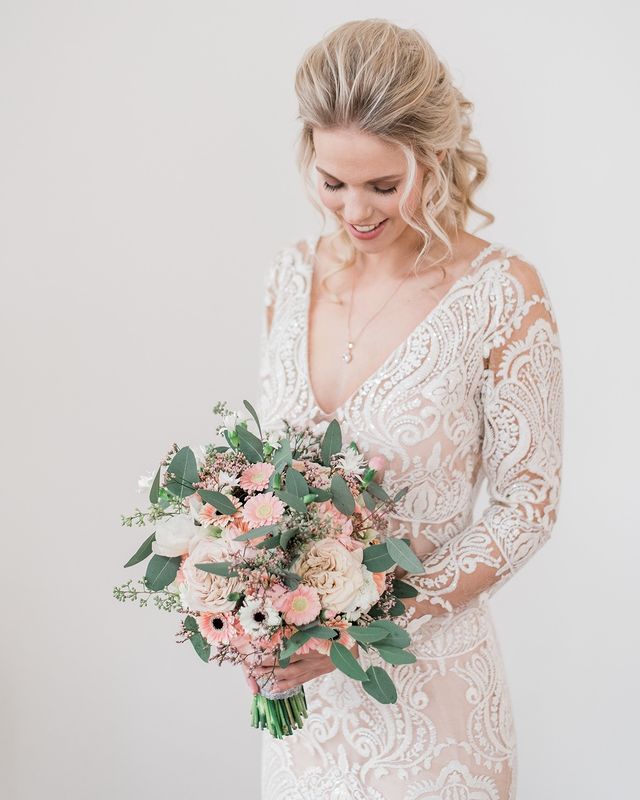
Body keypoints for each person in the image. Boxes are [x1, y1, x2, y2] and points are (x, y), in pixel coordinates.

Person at [249, 18, 563, 800]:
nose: (354, 209)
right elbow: (264, 477)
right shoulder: (288, 280)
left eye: (384, 185)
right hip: (307, 716)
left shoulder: (500, 293)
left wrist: (362, 629)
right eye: (332, 181)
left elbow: (528, 504)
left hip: (434, 709)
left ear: (437, 158)